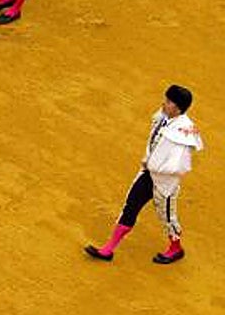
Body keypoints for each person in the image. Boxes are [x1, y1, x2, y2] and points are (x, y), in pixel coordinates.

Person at [86, 85, 204, 265]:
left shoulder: (184, 131)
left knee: (167, 217)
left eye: (169, 102)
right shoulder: (164, 117)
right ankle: (108, 249)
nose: (164, 103)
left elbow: (179, 165)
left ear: (178, 108)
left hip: (165, 182)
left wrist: (154, 165)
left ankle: (176, 248)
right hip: (148, 174)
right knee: (130, 205)